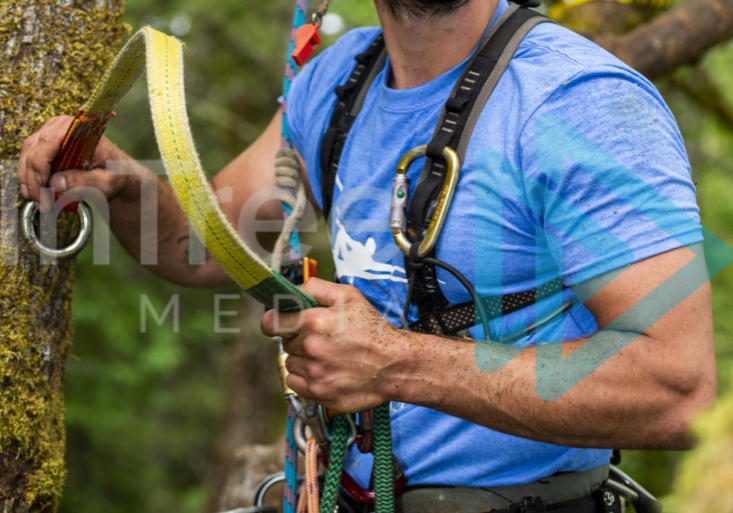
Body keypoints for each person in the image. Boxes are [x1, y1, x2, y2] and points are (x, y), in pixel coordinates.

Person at [18, 0, 716, 510]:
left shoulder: (576, 102)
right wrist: (122, 186)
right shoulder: (335, 83)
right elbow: (213, 244)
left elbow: (677, 390)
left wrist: (397, 363)